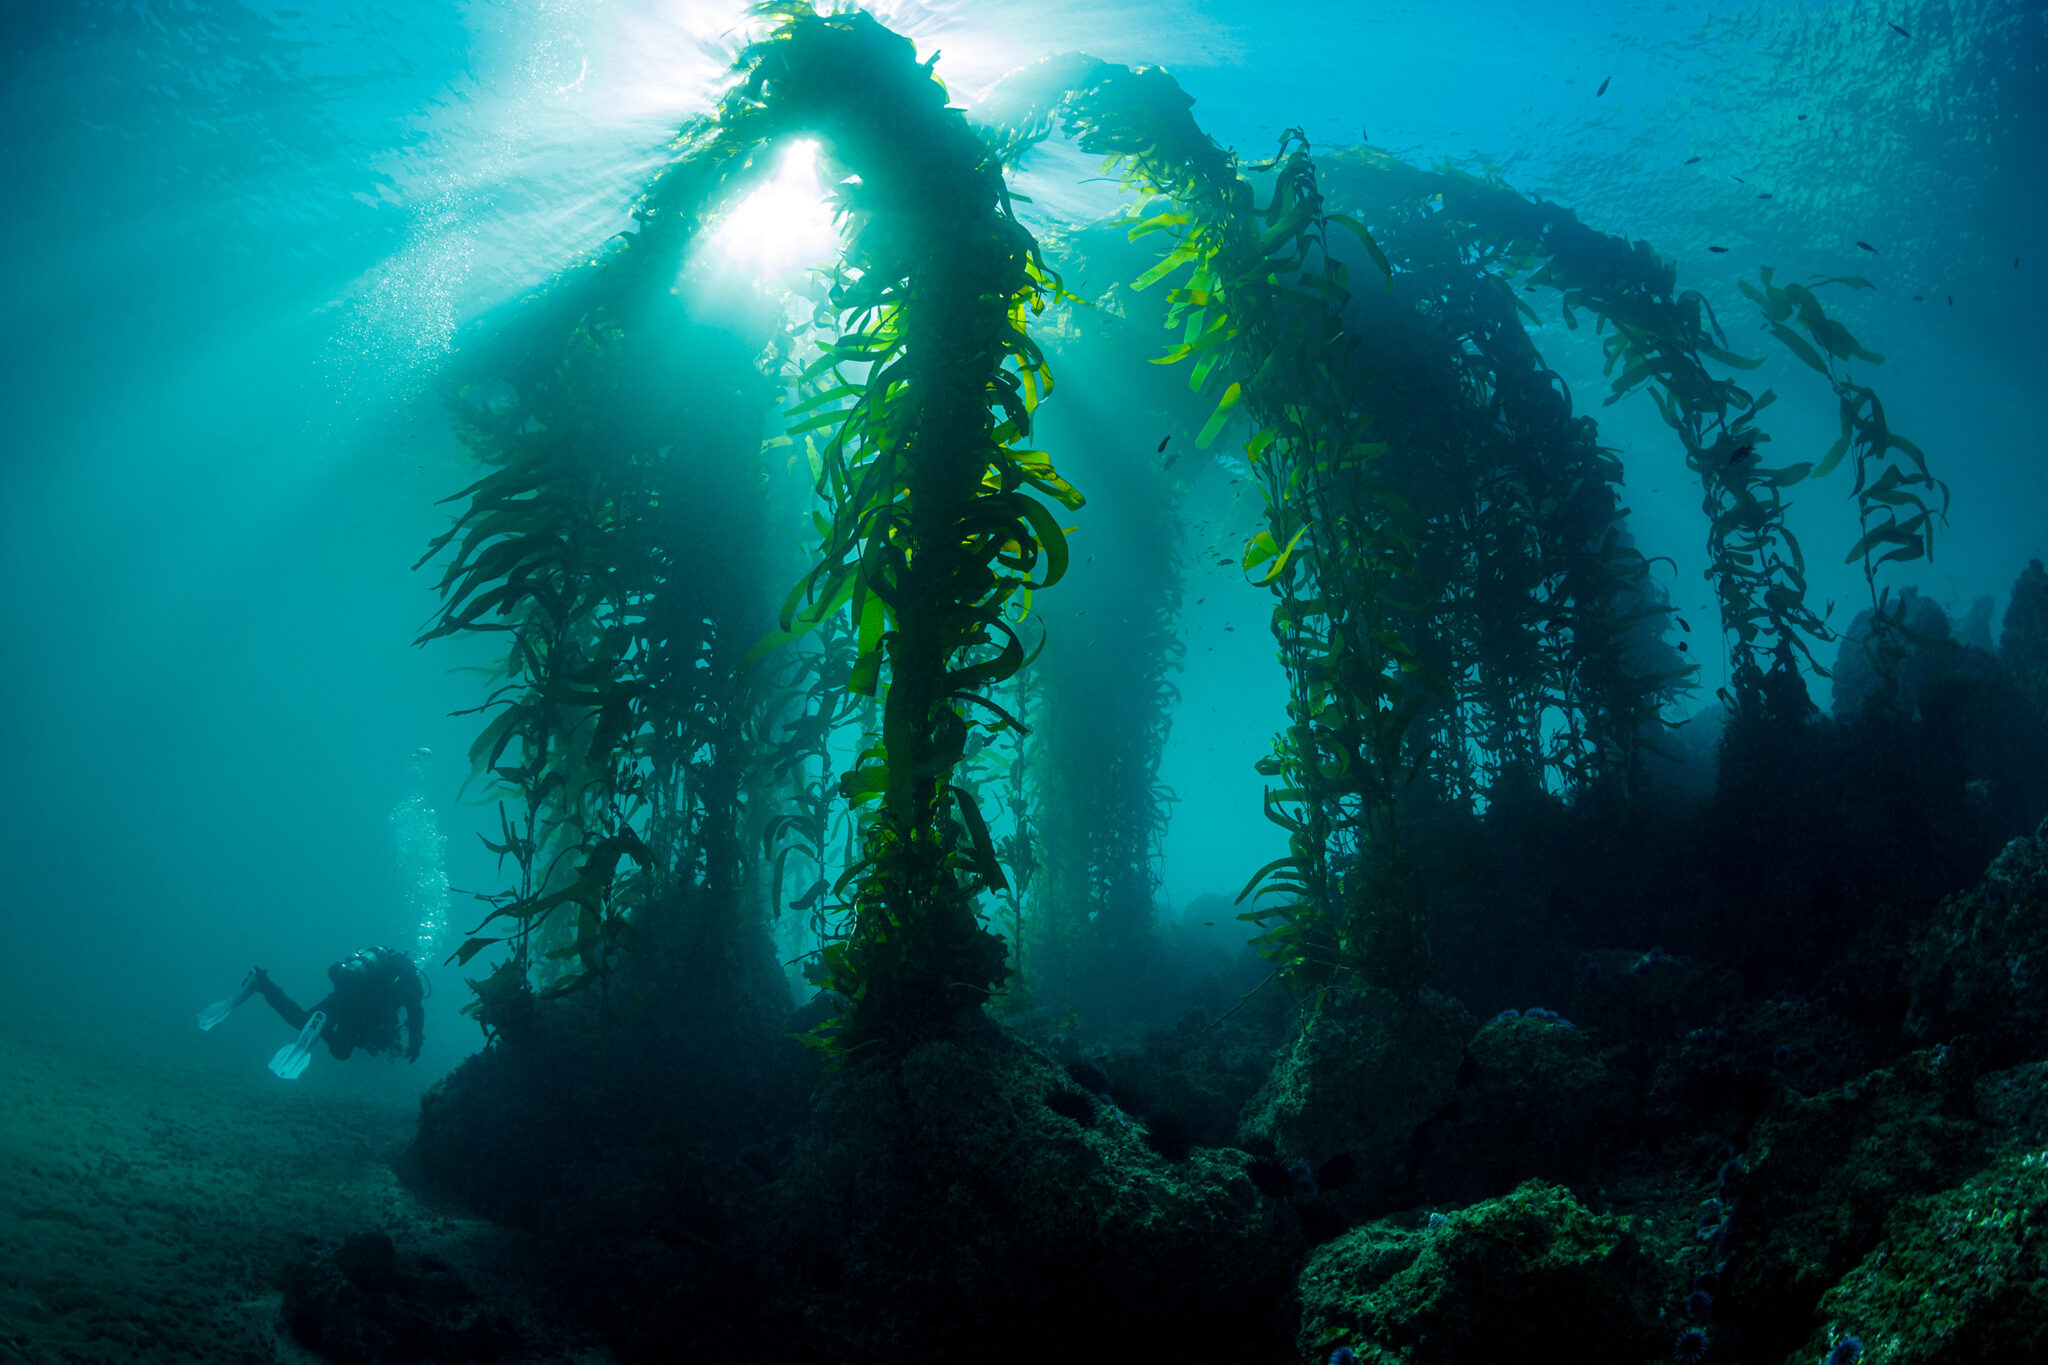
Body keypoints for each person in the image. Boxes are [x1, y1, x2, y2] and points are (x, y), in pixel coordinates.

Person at [248, 946, 427, 1063]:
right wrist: (415, 1045)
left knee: (301, 1021)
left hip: (344, 995)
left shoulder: (383, 967)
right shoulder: (410, 983)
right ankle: (324, 1027)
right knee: (341, 1052)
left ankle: (262, 982)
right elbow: (416, 1013)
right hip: (360, 1010)